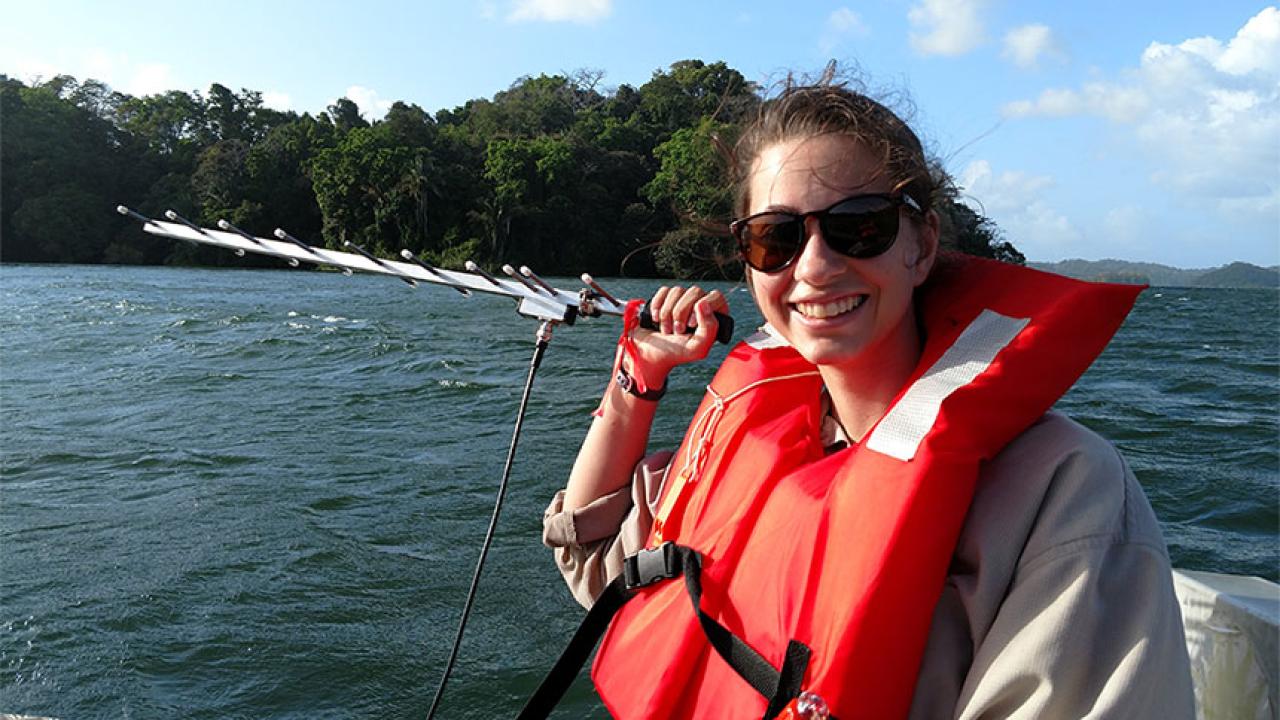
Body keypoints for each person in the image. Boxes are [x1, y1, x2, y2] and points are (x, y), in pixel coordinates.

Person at [541, 73, 1195, 719]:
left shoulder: (1063, 491)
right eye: (776, 237)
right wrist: (638, 379)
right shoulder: (749, 442)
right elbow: (593, 562)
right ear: (748, 260)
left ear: (922, 245)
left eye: (859, 227)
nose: (817, 265)